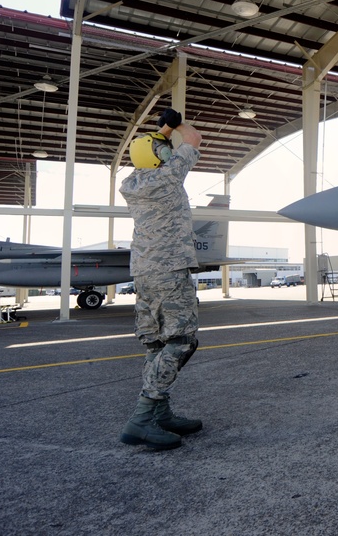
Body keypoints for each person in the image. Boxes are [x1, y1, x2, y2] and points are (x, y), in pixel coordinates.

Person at [118, 107, 203, 450]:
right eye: (164, 149)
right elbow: (194, 139)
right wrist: (175, 123)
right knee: (182, 341)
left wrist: (160, 134)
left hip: (144, 272)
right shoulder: (168, 178)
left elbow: (153, 153)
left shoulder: (132, 184)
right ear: (158, 156)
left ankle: (161, 414)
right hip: (170, 270)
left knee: (156, 344)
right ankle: (141, 417)